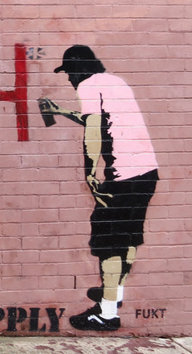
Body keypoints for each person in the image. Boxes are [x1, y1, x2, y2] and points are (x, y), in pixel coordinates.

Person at [39, 45, 159, 331]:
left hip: (123, 177)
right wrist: (61, 111)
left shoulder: (89, 85)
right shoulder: (114, 82)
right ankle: (114, 293)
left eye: (69, 72)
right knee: (128, 237)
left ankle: (106, 314)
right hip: (146, 173)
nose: (68, 79)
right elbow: (102, 120)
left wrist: (90, 175)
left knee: (109, 244)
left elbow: (93, 131)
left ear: (80, 69)